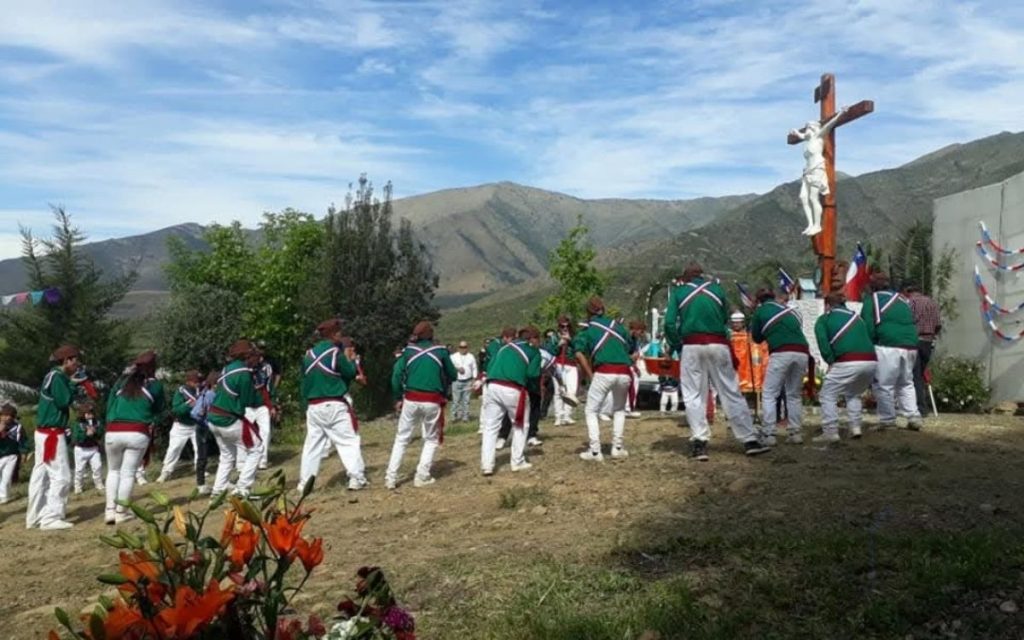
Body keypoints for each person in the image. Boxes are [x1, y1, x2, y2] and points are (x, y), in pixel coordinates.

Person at [664, 263, 770, 461]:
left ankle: (700, 443)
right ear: (701, 276)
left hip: (692, 345)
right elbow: (724, 319)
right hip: (719, 344)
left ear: (685, 277)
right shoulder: (717, 290)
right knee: (730, 391)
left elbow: (669, 323)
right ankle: (749, 440)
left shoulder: (679, 293)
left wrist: (677, 344)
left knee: (694, 394)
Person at [386, 321, 458, 489]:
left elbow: (396, 376)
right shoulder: (440, 351)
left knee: (402, 438)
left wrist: (398, 397)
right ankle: (422, 476)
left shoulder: (408, 352)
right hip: (432, 400)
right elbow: (453, 374)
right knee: (431, 439)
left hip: (410, 399)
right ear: (431, 335)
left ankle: (390, 477)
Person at [298, 320, 368, 492]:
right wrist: (351, 361)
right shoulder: (335, 353)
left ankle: (304, 484)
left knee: (312, 446)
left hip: (313, 405)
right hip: (334, 403)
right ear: (334, 334)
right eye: (339, 332)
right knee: (348, 442)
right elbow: (350, 372)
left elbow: (304, 381)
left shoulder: (309, 355)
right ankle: (356, 478)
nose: (340, 335)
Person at [104, 350, 165, 524]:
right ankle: (121, 512)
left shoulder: (122, 381)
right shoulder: (155, 385)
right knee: (128, 473)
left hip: (113, 429)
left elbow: (110, 403)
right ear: (154, 367)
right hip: (137, 431)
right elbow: (159, 409)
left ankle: (109, 510)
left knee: (113, 471)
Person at [27, 344, 83, 530]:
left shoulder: (53, 376)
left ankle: (34, 516)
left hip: (43, 432)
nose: (78, 364)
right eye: (75, 360)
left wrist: (71, 383)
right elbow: (64, 401)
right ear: (66, 360)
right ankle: (51, 517)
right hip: (52, 434)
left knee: (40, 476)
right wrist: (75, 386)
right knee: (62, 476)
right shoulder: (58, 377)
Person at [861, 272, 923, 431]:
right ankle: (913, 416)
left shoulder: (872, 300)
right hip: (911, 345)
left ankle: (888, 420)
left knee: (884, 384)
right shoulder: (902, 300)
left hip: (888, 345)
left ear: (873, 286)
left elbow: (868, 327)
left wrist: (869, 346)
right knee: (906, 382)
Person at [573, 297, 633, 461]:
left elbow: (578, 352)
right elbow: (631, 347)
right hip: (625, 372)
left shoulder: (588, 330)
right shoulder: (618, 327)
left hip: (604, 371)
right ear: (604, 310)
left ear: (588, 312)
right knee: (619, 410)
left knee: (591, 410)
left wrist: (590, 374)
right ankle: (617, 448)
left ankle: (594, 451)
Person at [814, 292, 878, 442]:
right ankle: (855, 427)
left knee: (827, 395)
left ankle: (830, 432)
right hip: (871, 361)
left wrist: (831, 361)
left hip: (848, 361)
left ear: (827, 306)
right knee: (853, 393)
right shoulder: (858, 318)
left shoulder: (824, 319)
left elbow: (824, 345)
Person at [479, 326, 542, 475]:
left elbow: (490, 366)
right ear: (531, 339)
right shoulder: (533, 351)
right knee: (521, 425)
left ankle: (486, 465)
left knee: (490, 427)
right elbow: (533, 374)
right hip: (513, 388)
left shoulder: (503, 348)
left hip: (492, 386)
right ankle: (517, 461)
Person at [751, 288, 810, 445]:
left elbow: (756, 338)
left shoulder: (761, 311)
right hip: (802, 351)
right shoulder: (789, 310)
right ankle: (795, 433)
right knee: (794, 394)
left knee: (770, 393)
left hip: (781, 352)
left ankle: (769, 434)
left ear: (758, 301)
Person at [208, 340, 265, 497]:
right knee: (256, 448)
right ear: (247, 355)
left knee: (227, 456)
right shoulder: (244, 373)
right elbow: (248, 401)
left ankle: (217, 491)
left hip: (213, 418)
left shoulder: (227, 369)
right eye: (252, 353)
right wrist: (265, 403)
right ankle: (243, 488)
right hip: (228, 419)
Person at [789, 105, 849, 235]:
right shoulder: (808, 139)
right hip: (807, 171)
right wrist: (795, 132)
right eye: (807, 128)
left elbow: (830, 124)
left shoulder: (818, 136)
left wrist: (841, 113)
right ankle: (810, 224)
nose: (808, 129)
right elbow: (800, 135)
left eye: (810, 127)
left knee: (813, 197)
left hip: (817, 168)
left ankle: (817, 225)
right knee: (803, 197)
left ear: (815, 128)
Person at [903, 282, 942, 414]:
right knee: (920, 374)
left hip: (915, 340)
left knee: (915, 376)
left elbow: (906, 321)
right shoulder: (932, 303)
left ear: (908, 292)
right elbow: (938, 324)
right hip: (928, 342)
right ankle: (922, 406)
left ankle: (920, 408)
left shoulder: (911, 303)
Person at [157, 370, 201, 482]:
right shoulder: (181, 392)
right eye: (195, 381)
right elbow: (176, 410)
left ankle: (200, 469)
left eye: (198, 381)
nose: (197, 383)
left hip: (196, 424)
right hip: (181, 425)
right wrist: (188, 405)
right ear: (188, 381)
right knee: (174, 449)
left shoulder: (200, 391)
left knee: (200, 449)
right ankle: (166, 472)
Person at [190, 371, 218, 495]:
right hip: (204, 428)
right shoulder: (211, 395)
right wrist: (206, 422)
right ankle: (201, 484)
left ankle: (201, 484)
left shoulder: (204, 393)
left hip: (202, 427)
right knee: (203, 457)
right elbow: (195, 413)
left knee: (203, 456)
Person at [548, 316, 579, 426]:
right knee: (558, 391)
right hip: (558, 364)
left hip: (571, 365)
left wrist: (571, 341)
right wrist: (558, 345)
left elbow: (579, 348)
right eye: (562, 326)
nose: (565, 328)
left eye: (567, 326)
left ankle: (567, 415)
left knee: (572, 390)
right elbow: (550, 351)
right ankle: (558, 417)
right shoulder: (553, 337)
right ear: (559, 326)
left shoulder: (574, 336)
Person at [71, 401, 105, 494]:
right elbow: (76, 437)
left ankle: (98, 483)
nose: (90, 415)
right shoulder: (78, 424)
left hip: (93, 448)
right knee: (79, 470)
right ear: (83, 413)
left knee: (97, 466)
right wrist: (86, 434)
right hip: (81, 449)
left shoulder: (97, 422)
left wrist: (96, 432)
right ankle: (78, 486)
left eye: (91, 413)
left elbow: (101, 433)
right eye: (87, 413)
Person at [0, 404, 29, 504]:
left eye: (10, 415)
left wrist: (24, 453)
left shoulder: (18, 427)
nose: (7, 417)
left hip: (11, 455)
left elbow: (23, 440)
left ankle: (4, 496)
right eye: (5, 415)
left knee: (7, 477)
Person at [449, 340, 477, 422]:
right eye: (461, 347)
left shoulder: (471, 356)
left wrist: (474, 378)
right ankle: (453, 417)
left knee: (466, 400)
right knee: (456, 400)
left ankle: (465, 417)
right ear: (458, 348)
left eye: (465, 347)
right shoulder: (453, 356)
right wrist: (457, 369)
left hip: (467, 381)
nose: (463, 349)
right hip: (457, 381)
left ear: (467, 348)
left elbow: (474, 368)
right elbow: (450, 367)